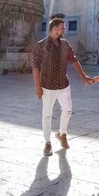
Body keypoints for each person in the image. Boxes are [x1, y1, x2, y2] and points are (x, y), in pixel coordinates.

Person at [32, 16, 92, 156]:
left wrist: (83, 76)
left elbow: (74, 60)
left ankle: (62, 134)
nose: (64, 29)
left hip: (63, 85)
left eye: (64, 27)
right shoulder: (40, 46)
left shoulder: (65, 44)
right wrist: (37, 87)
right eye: (61, 27)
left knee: (68, 110)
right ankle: (47, 143)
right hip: (47, 86)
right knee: (47, 115)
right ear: (54, 29)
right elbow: (35, 67)